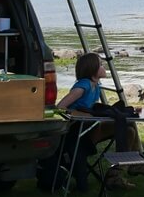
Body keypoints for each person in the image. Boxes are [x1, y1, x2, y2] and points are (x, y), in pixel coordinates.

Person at [56, 53, 138, 189]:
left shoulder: (96, 86)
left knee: (129, 127)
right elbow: (60, 108)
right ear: (92, 69)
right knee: (127, 125)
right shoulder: (83, 86)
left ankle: (115, 175)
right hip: (79, 132)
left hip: (92, 128)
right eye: (100, 64)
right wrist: (84, 115)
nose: (103, 66)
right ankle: (134, 165)